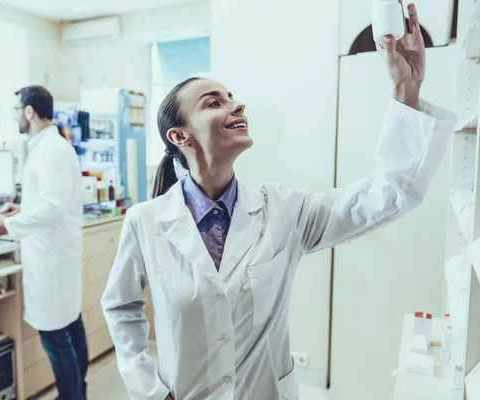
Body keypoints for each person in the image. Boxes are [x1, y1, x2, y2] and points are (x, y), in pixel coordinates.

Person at [101, 4, 457, 400]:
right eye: (213, 102)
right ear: (180, 137)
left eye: (232, 96)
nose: (237, 105)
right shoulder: (145, 221)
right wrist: (149, 389)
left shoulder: (285, 211)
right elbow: (121, 308)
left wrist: (406, 90)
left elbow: (385, 197)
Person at [0, 86, 88, 400]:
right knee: (70, 326)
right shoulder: (54, 146)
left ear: (29, 112)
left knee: (56, 336)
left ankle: (73, 397)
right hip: (56, 253)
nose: (16, 116)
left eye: (17, 109)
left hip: (50, 257)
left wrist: (8, 224)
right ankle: (77, 393)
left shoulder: (50, 150)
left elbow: (52, 207)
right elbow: (49, 202)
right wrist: (22, 210)